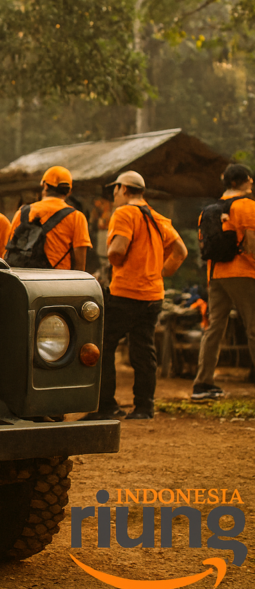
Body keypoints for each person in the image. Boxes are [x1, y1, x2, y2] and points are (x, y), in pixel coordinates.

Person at [85, 171, 188, 420]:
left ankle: (105, 406)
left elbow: (117, 249)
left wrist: (115, 260)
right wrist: (159, 272)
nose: (114, 195)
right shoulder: (158, 217)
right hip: (153, 295)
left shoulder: (124, 213)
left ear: (124, 189)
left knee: (103, 345)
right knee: (144, 349)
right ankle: (144, 407)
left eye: (116, 190)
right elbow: (181, 252)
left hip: (126, 293)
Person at [192, 163, 255, 400]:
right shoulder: (247, 205)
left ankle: (203, 383)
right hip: (243, 274)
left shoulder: (209, 209)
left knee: (214, 328)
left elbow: (203, 246)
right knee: (253, 328)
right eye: (250, 180)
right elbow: (251, 243)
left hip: (216, 274)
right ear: (243, 181)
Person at [5, 166, 92, 270]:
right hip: (57, 281)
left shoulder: (23, 212)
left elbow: (9, 248)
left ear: (45, 186)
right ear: (68, 191)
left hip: (25, 279)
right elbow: (80, 263)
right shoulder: (76, 217)